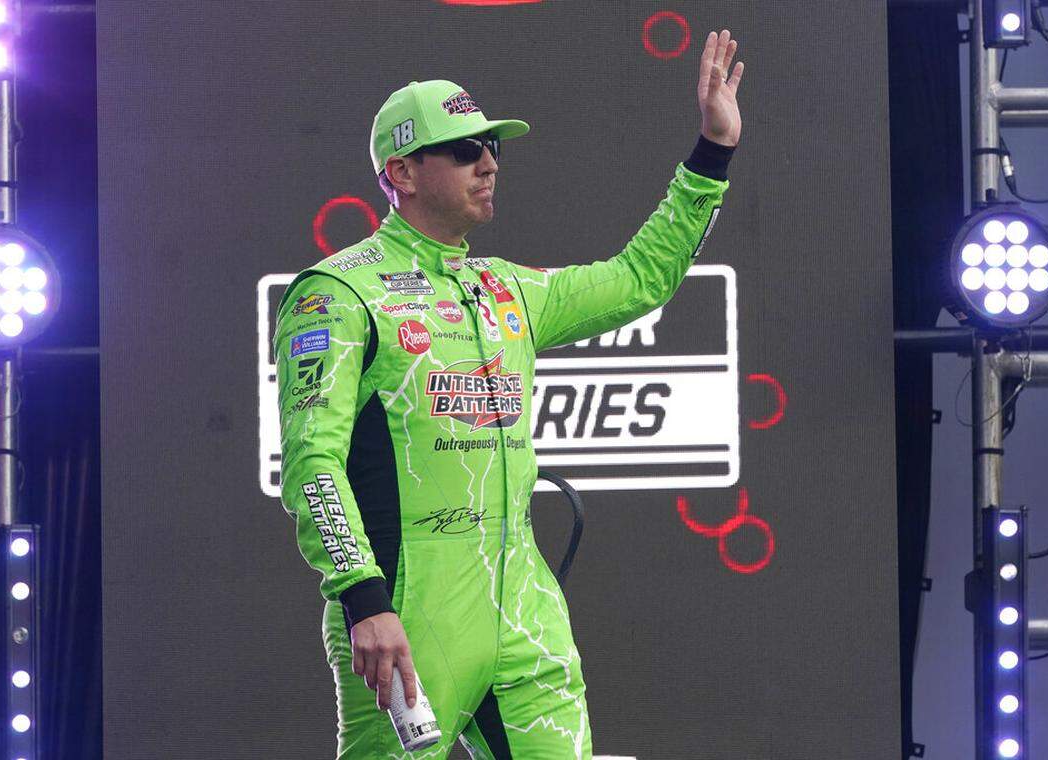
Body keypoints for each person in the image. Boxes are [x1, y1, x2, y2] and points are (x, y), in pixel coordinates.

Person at [274, 29, 745, 759]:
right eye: (464, 149)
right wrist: (363, 599)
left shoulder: (505, 288)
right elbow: (313, 463)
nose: (489, 162)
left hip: (524, 603)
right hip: (407, 608)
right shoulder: (337, 292)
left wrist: (711, 153)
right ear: (401, 170)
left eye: (493, 147)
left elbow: (640, 279)